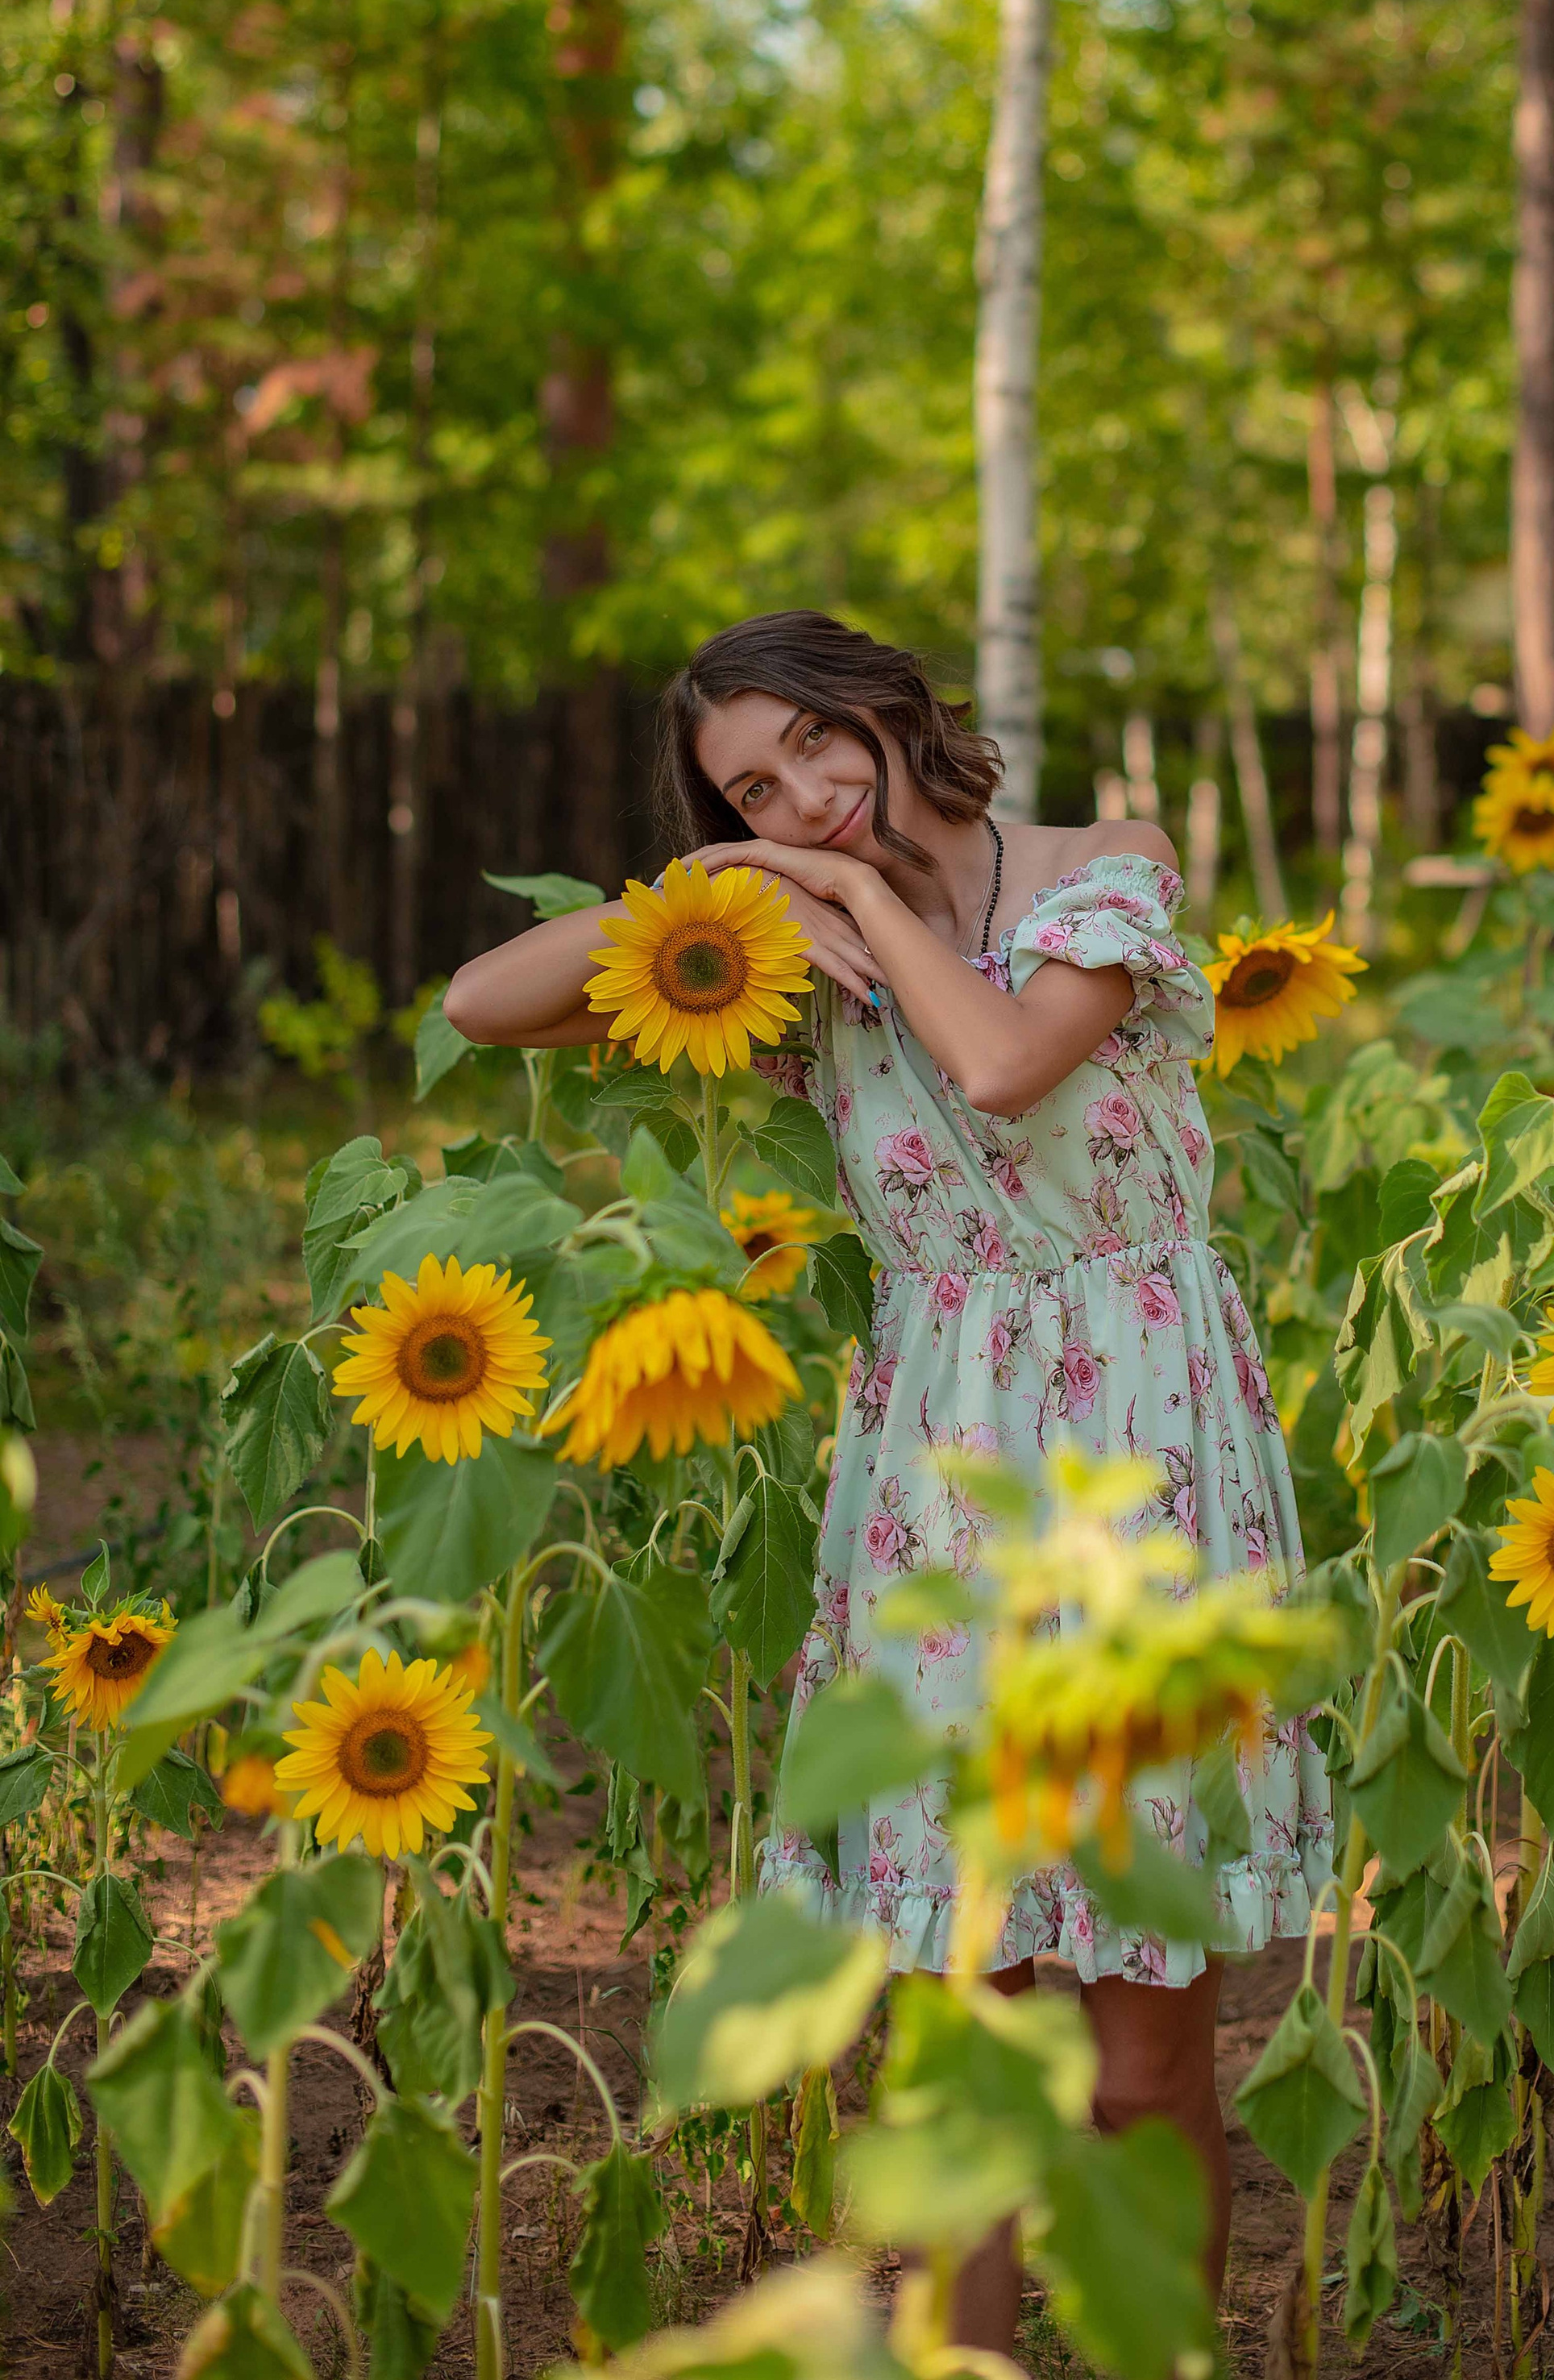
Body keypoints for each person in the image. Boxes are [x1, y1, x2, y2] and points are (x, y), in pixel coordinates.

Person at [444, 609, 1330, 2349]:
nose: (803, 795)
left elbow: (1004, 1070)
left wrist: (846, 898)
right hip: (939, 1464)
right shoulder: (774, 942)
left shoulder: (1103, 863)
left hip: (1147, 1452)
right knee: (964, 2024)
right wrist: (718, 891)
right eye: (749, 787)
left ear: (885, 707)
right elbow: (482, 1006)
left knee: (1151, 2046)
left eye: (809, 746)